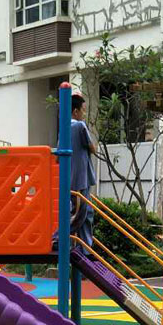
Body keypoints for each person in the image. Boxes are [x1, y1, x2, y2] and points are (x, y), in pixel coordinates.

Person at [69, 94, 98, 250]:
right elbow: (92, 148)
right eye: (83, 110)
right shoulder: (79, 126)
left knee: (86, 212)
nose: (84, 114)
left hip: (74, 176)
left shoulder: (64, 128)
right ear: (75, 111)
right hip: (81, 177)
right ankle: (58, 237)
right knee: (81, 213)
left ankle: (86, 247)